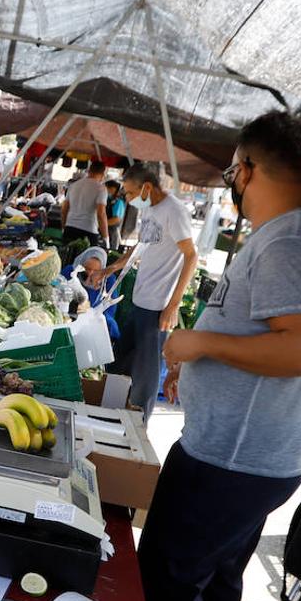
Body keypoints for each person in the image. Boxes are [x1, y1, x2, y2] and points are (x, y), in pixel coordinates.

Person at [102, 112, 301, 601]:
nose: (233, 182)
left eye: (235, 170)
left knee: (168, 570)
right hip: (246, 450)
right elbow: (268, 334)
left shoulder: (293, 243)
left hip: (236, 458)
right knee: (219, 573)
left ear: (250, 169)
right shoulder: (283, 234)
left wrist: (202, 343)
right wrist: (201, 351)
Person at [92, 163, 198, 419]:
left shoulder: (174, 211)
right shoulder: (151, 209)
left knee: (145, 380)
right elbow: (140, 246)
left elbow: (191, 256)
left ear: (147, 187)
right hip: (140, 301)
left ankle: (139, 429)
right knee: (119, 365)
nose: (127, 198)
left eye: (129, 193)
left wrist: (173, 306)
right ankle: (111, 415)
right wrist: (111, 268)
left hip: (158, 308)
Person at [65, 246, 120, 339]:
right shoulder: (71, 271)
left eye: (96, 270)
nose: (91, 273)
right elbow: (59, 289)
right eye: (87, 268)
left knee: (110, 325)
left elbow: (110, 309)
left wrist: (93, 314)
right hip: (70, 312)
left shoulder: (109, 280)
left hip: (94, 318)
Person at [61, 159, 109, 246]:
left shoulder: (74, 186)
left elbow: (64, 209)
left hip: (70, 228)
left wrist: (64, 227)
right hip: (88, 230)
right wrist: (106, 237)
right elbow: (101, 214)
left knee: (66, 258)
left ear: (89, 170)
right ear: (103, 174)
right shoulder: (101, 189)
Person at [105, 179, 126, 249]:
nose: (106, 191)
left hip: (111, 234)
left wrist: (101, 223)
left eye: (107, 188)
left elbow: (116, 219)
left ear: (113, 189)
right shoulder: (108, 200)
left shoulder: (118, 202)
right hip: (105, 230)